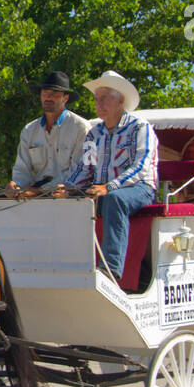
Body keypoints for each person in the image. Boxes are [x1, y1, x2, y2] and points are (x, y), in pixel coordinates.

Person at [53, 71, 158, 282]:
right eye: (96, 99)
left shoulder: (140, 128)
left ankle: (110, 269)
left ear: (120, 101)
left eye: (104, 98)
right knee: (66, 201)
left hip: (140, 188)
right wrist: (67, 188)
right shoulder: (94, 133)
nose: (98, 104)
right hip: (104, 188)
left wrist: (109, 187)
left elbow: (141, 166)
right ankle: (66, 264)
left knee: (114, 199)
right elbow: (85, 168)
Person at [8, 71, 91, 196]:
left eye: (54, 94)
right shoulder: (29, 130)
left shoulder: (81, 128)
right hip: (32, 195)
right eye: (45, 93)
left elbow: (81, 171)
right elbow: (22, 168)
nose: (48, 97)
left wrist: (41, 190)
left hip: (69, 196)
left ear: (65, 98)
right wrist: (16, 186)